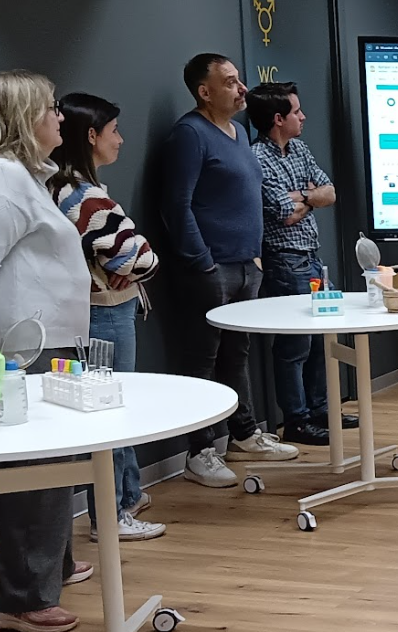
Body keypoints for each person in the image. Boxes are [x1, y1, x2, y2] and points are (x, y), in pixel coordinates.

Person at [0, 70, 91, 632]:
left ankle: (50, 566)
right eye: (50, 108)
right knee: (35, 471)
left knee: (50, 464)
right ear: (25, 118)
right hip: (23, 347)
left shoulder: (19, 178)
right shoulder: (4, 178)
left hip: (37, 341)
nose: (60, 117)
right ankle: (21, 598)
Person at [160, 53, 298, 488]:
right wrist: (202, 261)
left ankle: (243, 435)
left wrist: (254, 257)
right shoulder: (189, 134)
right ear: (204, 91)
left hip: (246, 265)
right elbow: (176, 206)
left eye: (240, 80)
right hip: (210, 269)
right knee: (202, 360)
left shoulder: (238, 133)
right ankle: (199, 452)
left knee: (237, 354)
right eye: (230, 82)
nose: (242, 89)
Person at [50, 92, 166, 542]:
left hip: (97, 310)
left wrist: (125, 262)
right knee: (112, 412)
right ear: (91, 136)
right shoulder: (86, 197)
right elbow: (141, 259)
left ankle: (127, 495)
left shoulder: (60, 187)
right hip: (105, 314)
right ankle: (111, 513)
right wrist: (138, 264)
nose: (120, 140)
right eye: (113, 131)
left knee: (116, 407)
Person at [245, 81, 356, 445]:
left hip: (312, 258)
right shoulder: (257, 157)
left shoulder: (300, 149)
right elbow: (283, 213)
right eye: (296, 111)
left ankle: (322, 410)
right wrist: (311, 198)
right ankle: (297, 420)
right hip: (284, 261)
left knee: (322, 339)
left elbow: (330, 192)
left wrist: (303, 197)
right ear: (278, 119)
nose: (303, 117)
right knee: (295, 346)